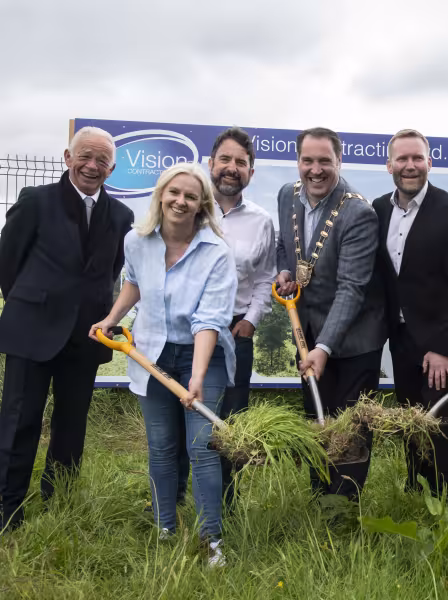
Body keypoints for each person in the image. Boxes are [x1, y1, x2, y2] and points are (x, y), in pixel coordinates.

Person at [90, 163, 237, 567]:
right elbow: (134, 282)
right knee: (161, 449)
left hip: (202, 354)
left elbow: (209, 320)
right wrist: (111, 318)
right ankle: (165, 530)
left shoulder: (218, 253)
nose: (180, 201)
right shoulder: (137, 241)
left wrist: (198, 376)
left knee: (203, 448)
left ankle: (212, 542)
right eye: (174, 192)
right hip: (151, 351)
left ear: (201, 205)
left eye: (191, 196)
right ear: (160, 195)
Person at [0, 127, 133, 531]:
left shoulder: (122, 216)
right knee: (19, 420)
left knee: (71, 424)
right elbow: (8, 263)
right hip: (31, 332)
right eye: (85, 157)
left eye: (101, 161)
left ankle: (59, 504)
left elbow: (111, 274)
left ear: (111, 168)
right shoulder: (35, 202)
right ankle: (7, 510)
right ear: (67, 156)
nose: (92, 166)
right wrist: (31, 304)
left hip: (87, 338)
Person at [275, 127, 385, 501]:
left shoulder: (358, 212)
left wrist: (323, 348)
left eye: (325, 161)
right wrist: (285, 271)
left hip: (355, 342)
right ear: (298, 162)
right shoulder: (286, 195)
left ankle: (342, 510)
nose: (316, 170)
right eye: (308, 160)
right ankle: (319, 498)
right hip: (308, 333)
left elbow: (352, 288)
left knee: (349, 430)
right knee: (316, 422)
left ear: (339, 161)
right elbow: (284, 245)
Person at [173, 127, 276, 513]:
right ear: (211, 164)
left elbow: (265, 275)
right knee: (182, 412)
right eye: (226, 160)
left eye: (241, 163)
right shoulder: (189, 210)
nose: (232, 169)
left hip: (235, 332)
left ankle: (224, 506)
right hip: (183, 332)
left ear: (251, 171)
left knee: (229, 422)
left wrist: (250, 320)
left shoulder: (261, 221)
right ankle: (179, 499)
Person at [373, 129, 448, 497]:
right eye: (402, 159)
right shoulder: (379, 209)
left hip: (442, 339)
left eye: (417, 158)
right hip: (401, 338)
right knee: (410, 418)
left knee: (439, 419)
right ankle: (417, 489)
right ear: (389, 165)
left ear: (430, 162)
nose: (410, 165)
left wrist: (443, 347)